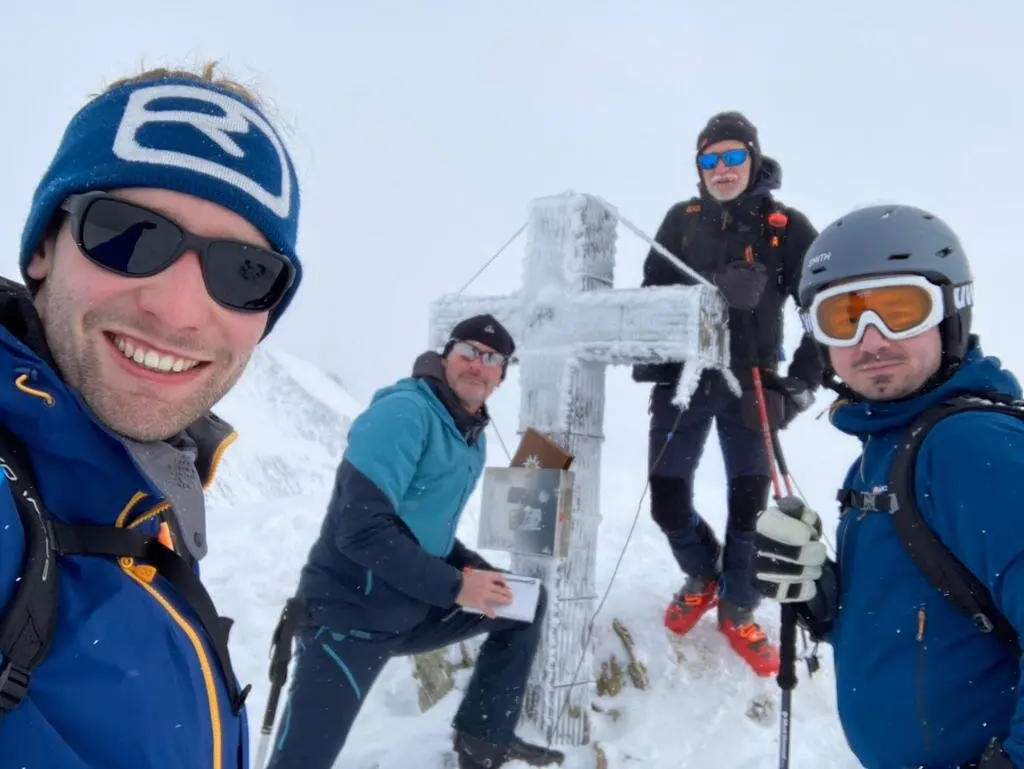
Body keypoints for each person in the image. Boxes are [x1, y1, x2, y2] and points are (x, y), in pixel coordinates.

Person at [0, 63, 303, 768]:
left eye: (243, 273)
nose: (175, 308)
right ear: (44, 245)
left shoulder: (138, 499)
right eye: (130, 234)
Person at [753, 204, 1023, 769]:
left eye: (899, 309)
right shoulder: (884, 453)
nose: (870, 340)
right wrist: (821, 597)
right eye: (843, 318)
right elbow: (917, 622)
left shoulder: (969, 447)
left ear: (951, 312)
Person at [267, 313, 565, 769]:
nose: (477, 365)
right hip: (350, 618)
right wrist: (458, 587)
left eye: (491, 359)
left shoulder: (469, 435)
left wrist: (472, 572)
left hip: (413, 605)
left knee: (523, 602)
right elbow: (360, 529)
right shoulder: (405, 412)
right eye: (467, 352)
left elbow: (428, 534)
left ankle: (482, 744)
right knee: (303, 761)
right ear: (446, 358)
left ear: (501, 377)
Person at [633, 110, 823, 676]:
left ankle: (739, 607)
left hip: (752, 387)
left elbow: (823, 309)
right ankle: (703, 574)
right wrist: (712, 291)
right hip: (683, 381)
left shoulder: (784, 227)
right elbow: (652, 295)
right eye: (710, 159)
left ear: (754, 158)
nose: (721, 169)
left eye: (732, 156)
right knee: (667, 500)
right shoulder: (680, 220)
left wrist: (801, 387)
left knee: (749, 510)